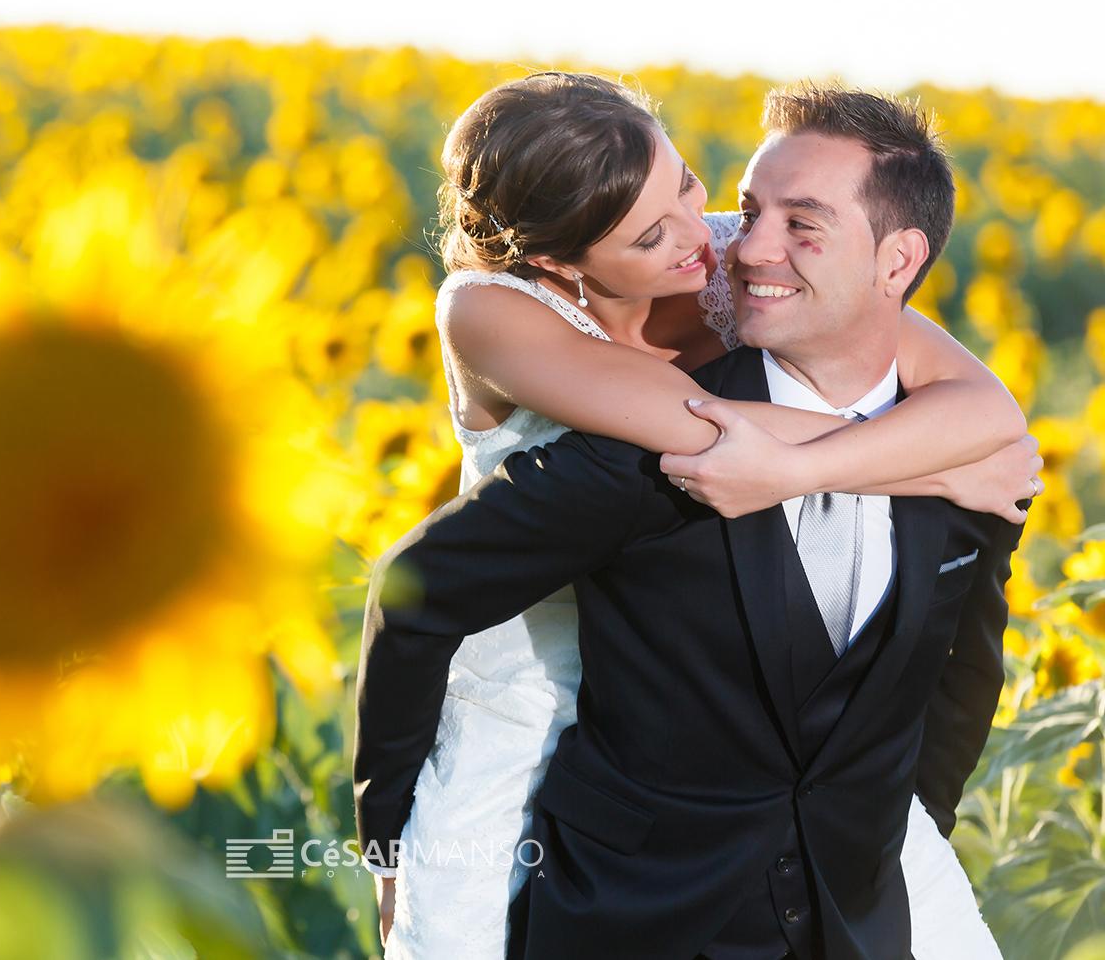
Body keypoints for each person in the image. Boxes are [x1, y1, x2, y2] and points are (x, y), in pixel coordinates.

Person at [355, 80, 1031, 960]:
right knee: (451, 928)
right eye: (648, 235)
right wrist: (928, 458)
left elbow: (988, 413)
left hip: (737, 745)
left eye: (687, 186)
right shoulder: (489, 310)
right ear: (563, 264)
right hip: (525, 653)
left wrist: (868, 455)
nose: (710, 242)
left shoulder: (729, 257)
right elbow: (705, 435)